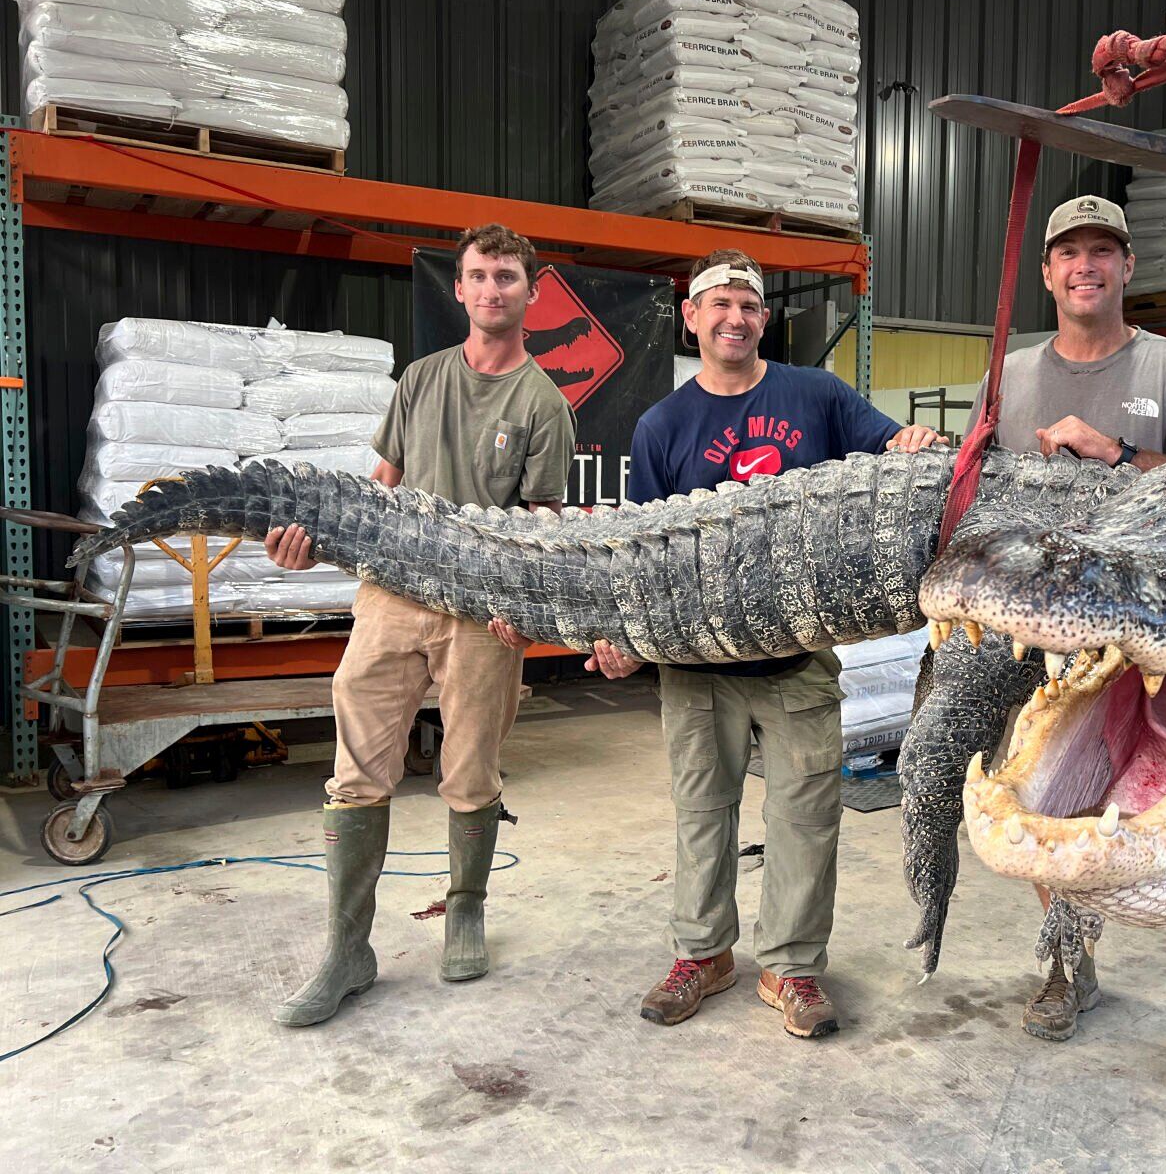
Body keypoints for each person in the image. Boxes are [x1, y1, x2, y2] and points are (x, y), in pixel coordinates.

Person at [585, 247, 943, 1040]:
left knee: (808, 814)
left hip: (796, 659)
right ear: (692, 318)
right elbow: (640, 555)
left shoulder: (815, 394)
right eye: (718, 304)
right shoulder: (662, 425)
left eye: (748, 304)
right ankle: (703, 954)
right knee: (702, 813)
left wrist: (912, 441)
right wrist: (625, 640)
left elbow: (890, 449)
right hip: (694, 668)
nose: (734, 317)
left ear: (764, 317)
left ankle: (791, 967)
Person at [265, 223, 576, 1027]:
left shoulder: (543, 402)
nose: (492, 289)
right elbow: (381, 488)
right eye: (478, 275)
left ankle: (466, 906)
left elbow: (541, 523)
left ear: (531, 293)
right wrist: (315, 544)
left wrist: (521, 606)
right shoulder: (422, 378)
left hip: (481, 613)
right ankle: (347, 948)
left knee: (471, 771)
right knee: (355, 770)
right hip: (392, 597)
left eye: (507, 276)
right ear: (460, 289)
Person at [975, 195, 1166, 1108]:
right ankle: (1066, 963)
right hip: (1049, 633)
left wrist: (1119, 454)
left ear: (1128, 267)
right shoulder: (1008, 376)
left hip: (1159, 638)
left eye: (1102, 251)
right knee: (1043, 795)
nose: (1084, 266)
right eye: (1067, 253)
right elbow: (979, 493)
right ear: (1047, 273)